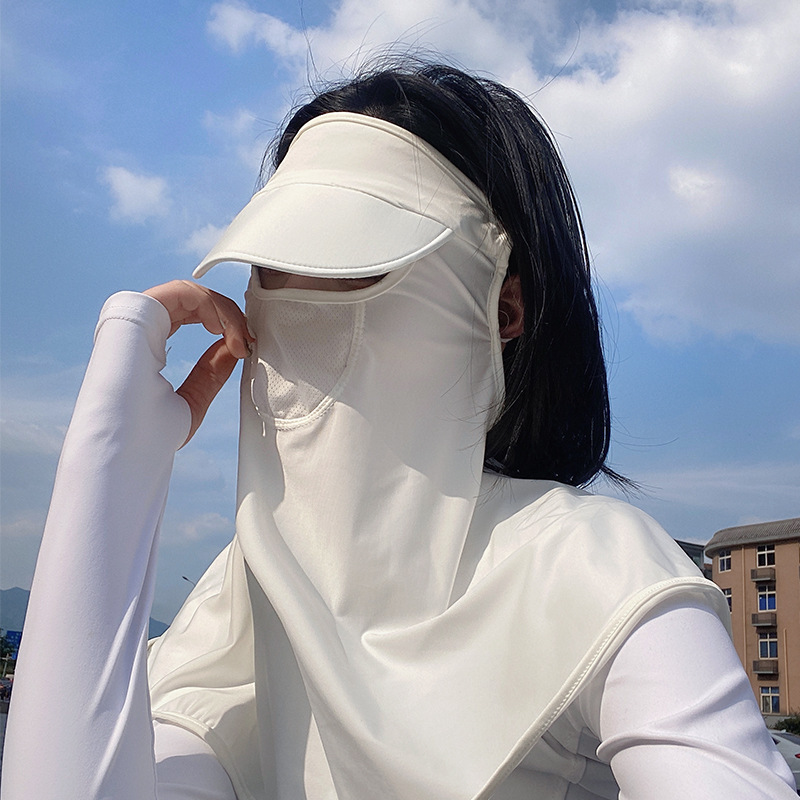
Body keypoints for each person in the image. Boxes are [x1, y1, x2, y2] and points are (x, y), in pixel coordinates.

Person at [3, 63, 796, 800]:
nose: (292, 301)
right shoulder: (240, 596)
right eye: (271, 266)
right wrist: (110, 474)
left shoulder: (594, 568)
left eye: (348, 262)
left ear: (502, 306)